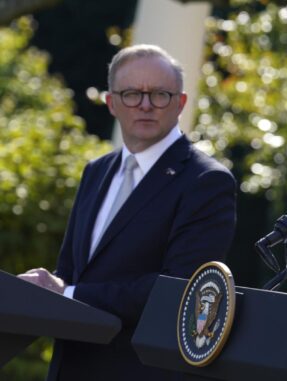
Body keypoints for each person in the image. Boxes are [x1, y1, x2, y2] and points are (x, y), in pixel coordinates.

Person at [18, 45, 236, 380]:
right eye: (132, 93)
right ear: (112, 103)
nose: (145, 105)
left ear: (180, 103)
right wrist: (47, 286)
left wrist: (67, 293)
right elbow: (72, 271)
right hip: (69, 367)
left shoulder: (207, 181)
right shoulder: (97, 170)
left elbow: (177, 290)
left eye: (160, 94)